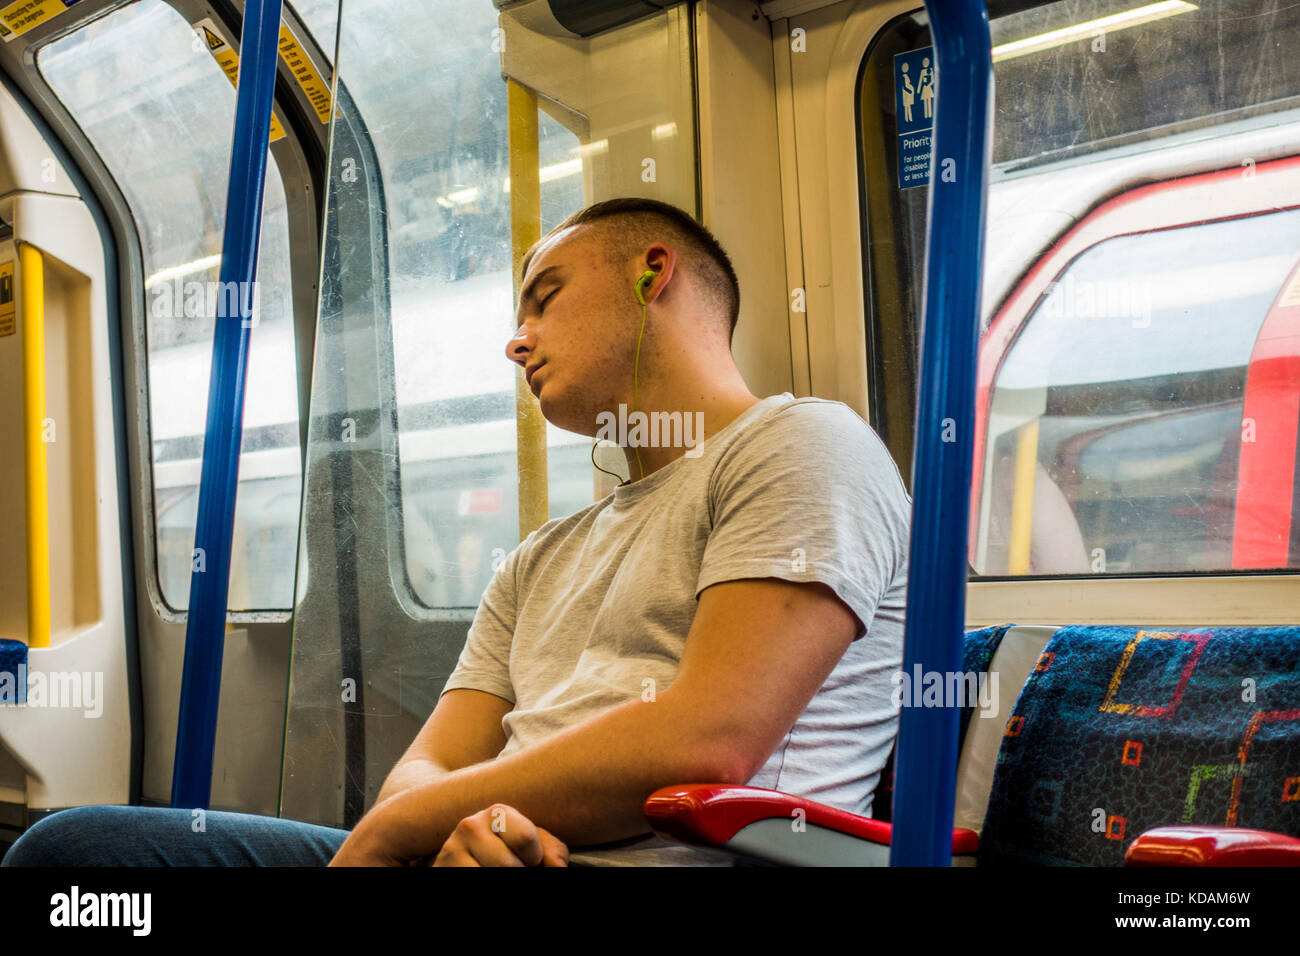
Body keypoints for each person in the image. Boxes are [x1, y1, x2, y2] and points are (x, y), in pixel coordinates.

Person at [2, 197, 910, 868]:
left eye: (543, 298)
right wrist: (448, 834)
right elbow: (431, 759)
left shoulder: (800, 445)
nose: (517, 343)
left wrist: (407, 829)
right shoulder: (540, 558)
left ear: (652, 273)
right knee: (78, 856)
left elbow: (705, 740)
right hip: (478, 855)